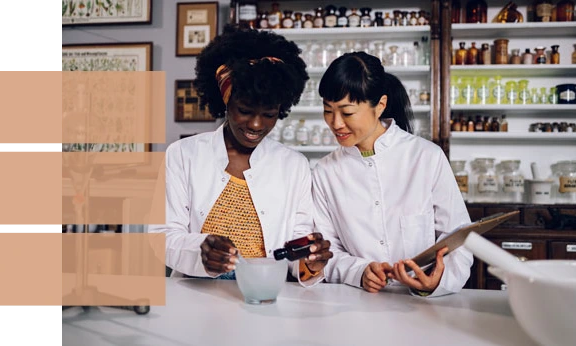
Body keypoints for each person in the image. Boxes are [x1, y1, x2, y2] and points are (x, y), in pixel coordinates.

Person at [150, 25, 332, 286]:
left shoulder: (294, 166)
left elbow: (297, 244)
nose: (256, 125)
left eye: (269, 114)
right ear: (225, 101)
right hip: (198, 289)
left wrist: (309, 260)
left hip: (265, 289)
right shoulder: (183, 155)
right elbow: (162, 235)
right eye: (245, 110)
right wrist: (200, 249)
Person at [311, 52, 473, 297]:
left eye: (347, 112)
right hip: (358, 304)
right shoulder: (325, 172)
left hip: (423, 307)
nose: (335, 123)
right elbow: (326, 249)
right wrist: (359, 271)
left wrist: (438, 281)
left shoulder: (426, 156)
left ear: (380, 106)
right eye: (327, 111)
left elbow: (458, 237)